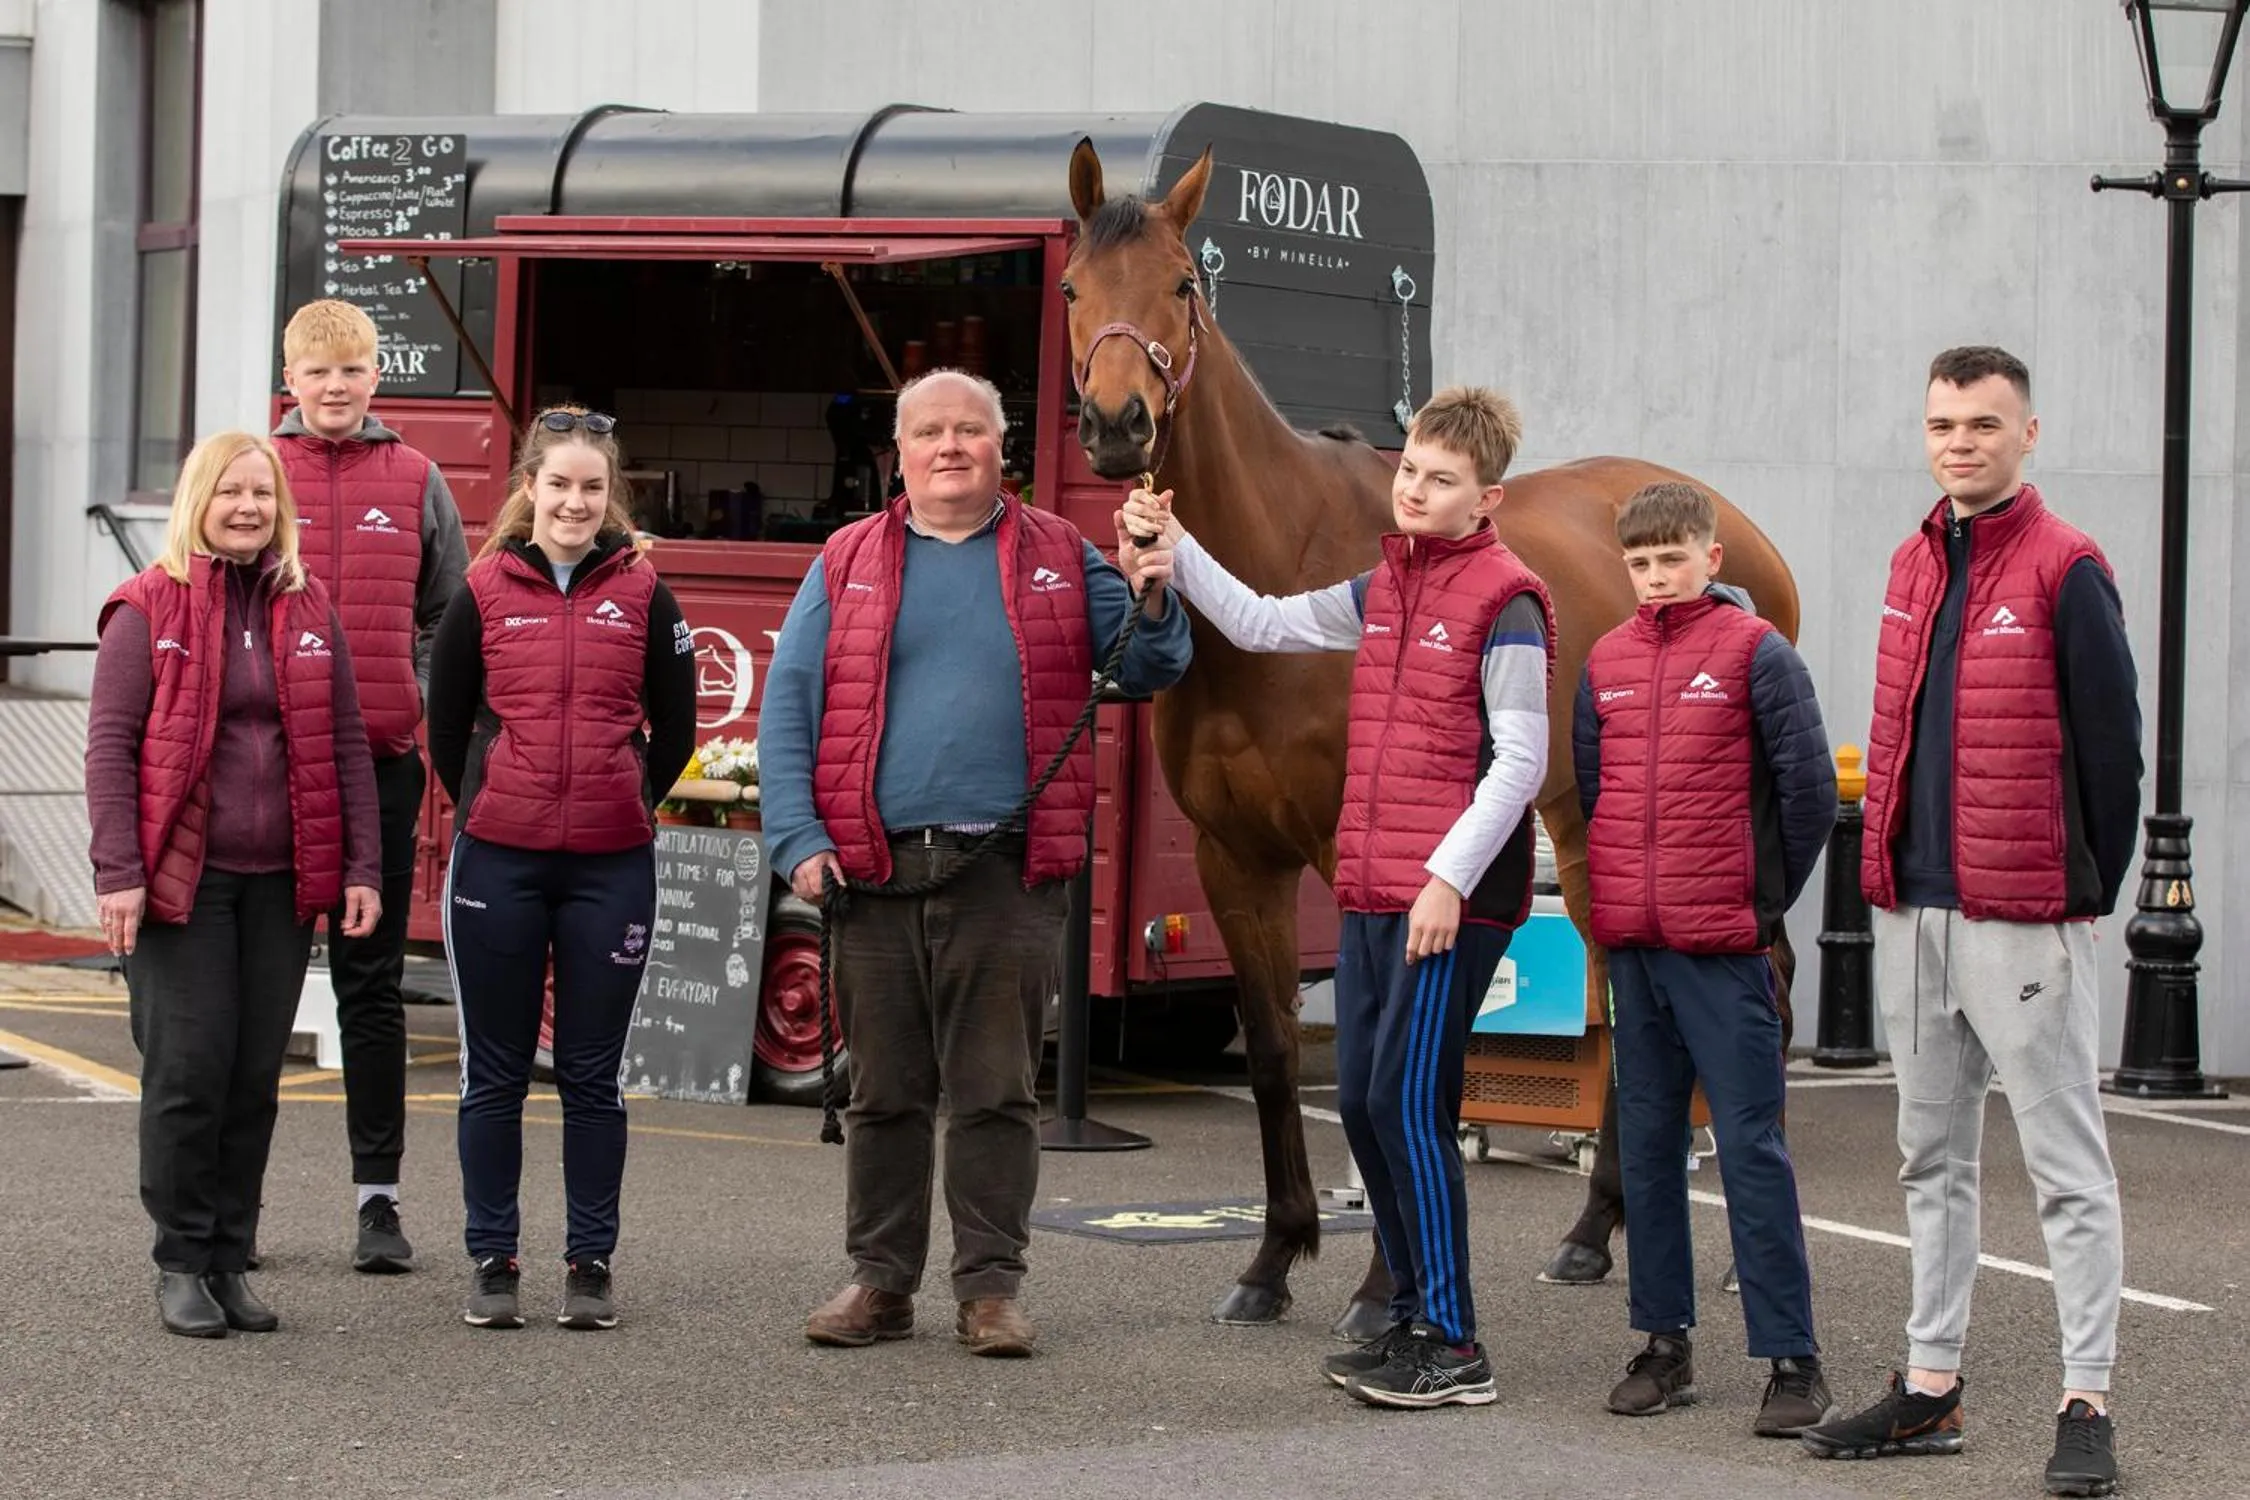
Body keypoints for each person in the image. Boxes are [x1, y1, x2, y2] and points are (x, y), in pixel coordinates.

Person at [1123, 386, 1552, 1410]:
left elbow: (1523, 759)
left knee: (1409, 1108)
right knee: (1360, 1101)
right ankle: (1409, 1309)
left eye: (1441, 481)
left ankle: (1454, 1343)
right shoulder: (1388, 586)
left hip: (1453, 896)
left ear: (1485, 498)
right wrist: (1175, 543)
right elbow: (1263, 623)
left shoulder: (1510, 601)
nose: (1414, 490)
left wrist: (1448, 880)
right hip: (1375, 887)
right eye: (1410, 472)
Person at [760, 369, 1189, 1358]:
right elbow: (789, 708)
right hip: (873, 869)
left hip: (1007, 870)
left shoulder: (1059, 553)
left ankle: (990, 1291)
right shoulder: (844, 560)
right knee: (885, 1091)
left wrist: (1150, 587)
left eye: (970, 431)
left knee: (997, 1091)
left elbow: (1153, 665)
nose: (950, 446)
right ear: (899, 454)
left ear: (1005, 449)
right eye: (929, 433)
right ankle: (880, 1283)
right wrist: (799, 841)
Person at [1802, 347, 2143, 1499]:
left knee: (2066, 1170)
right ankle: (1931, 1387)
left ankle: (2086, 1396)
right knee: (1929, 1160)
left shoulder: (2067, 568)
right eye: (1944, 422)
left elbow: (2114, 754)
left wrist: (2075, 902)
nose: (1960, 441)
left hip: (2023, 919)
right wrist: (1891, 880)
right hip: (1914, 913)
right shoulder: (1911, 561)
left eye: (1984, 424)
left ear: (2027, 434)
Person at [84, 432, 382, 1338]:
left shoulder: (309, 606)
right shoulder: (146, 606)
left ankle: (229, 1256)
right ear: (197, 502)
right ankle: (180, 1259)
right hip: (185, 882)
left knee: (255, 1078)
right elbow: (110, 749)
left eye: (263, 493)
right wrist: (119, 874)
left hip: (282, 882)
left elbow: (343, 747)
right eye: (231, 493)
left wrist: (362, 865)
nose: (248, 507)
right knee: (189, 1074)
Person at [1572, 482, 1836, 1436]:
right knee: (1644, 1152)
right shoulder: (1604, 661)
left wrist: (1758, 908)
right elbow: (1597, 794)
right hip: (1636, 951)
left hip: (1722, 950)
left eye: (1671, 560)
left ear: (1711, 559)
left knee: (1752, 1153)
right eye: (1639, 564)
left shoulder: (1758, 655)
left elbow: (1807, 796)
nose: (1654, 578)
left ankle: (1793, 1360)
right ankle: (1664, 1345)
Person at [426, 406, 697, 1332]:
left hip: (610, 866)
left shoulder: (647, 593)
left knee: (592, 1075)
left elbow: (677, 730)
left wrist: (620, 796)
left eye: (591, 487)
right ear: (529, 490)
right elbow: (446, 722)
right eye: (558, 485)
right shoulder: (483, 589)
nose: (575, 502)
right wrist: (497, 801)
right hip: (497, 861)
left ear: (607, 494)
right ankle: (492, 1262)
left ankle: (590, 1265)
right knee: (494, 1074)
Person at [272, 298, 469, 1273]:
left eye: (352, 370)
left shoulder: (417, 477)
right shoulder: (256, 475)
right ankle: (233, 1208)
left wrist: (422, 717)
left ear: (375, 378)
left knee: (372, 989)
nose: (337, 387)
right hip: (268, 770)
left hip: (381, 772)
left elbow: (448, 618)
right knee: (254, 995)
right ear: (292, 382)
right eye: (319, 373)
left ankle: (378, 1203)